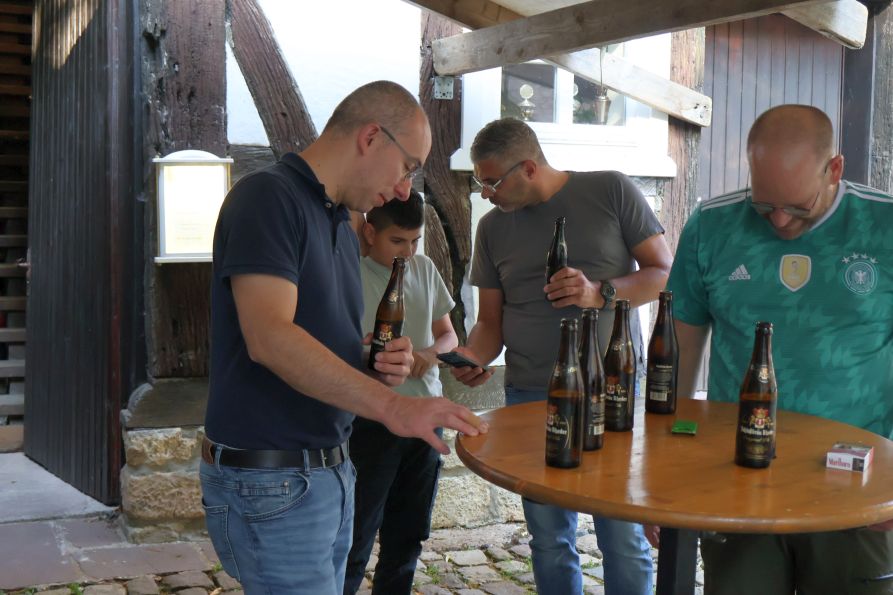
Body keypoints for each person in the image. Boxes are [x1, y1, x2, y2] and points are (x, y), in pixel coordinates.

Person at [200, 81, 485, 595]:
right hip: (274, 477)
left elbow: (317, 342)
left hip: (331, 469)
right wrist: (393, 406)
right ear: (371, 137)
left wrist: (371, 359)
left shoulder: (337, 222)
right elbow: (269, 337)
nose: (405, 190)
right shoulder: (268, 197)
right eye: (408, 167)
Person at [666, 104, 893, 594]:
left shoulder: (885, 225)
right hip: (738, 476)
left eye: (798, 206)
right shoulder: (711, 227)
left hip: (858, 486)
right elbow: (679, 349)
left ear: (835, 169)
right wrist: (667, 465)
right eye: (764, 204)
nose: (781, 220)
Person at [451, 118, 673, 595]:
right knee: (549, 536)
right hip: (531, 393)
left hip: (611, 393)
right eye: (480, 182)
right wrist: (472, 355)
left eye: (492, 182)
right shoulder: (491, 228)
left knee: (622, 532)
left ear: (528, 168)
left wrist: (600, 292)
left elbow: (665, 273)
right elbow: (490, 322)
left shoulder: (611, 190)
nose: (485, 193)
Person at [343, 191, 457, 594]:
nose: (407, 251)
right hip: (371, 420)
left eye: (415, 241)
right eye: (397, 241)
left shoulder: (424, 268)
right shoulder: (351, 273)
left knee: (408, 535)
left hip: (425, 418)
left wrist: (429, 354)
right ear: (370, 233)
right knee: (356, 535)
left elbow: (449, 335)